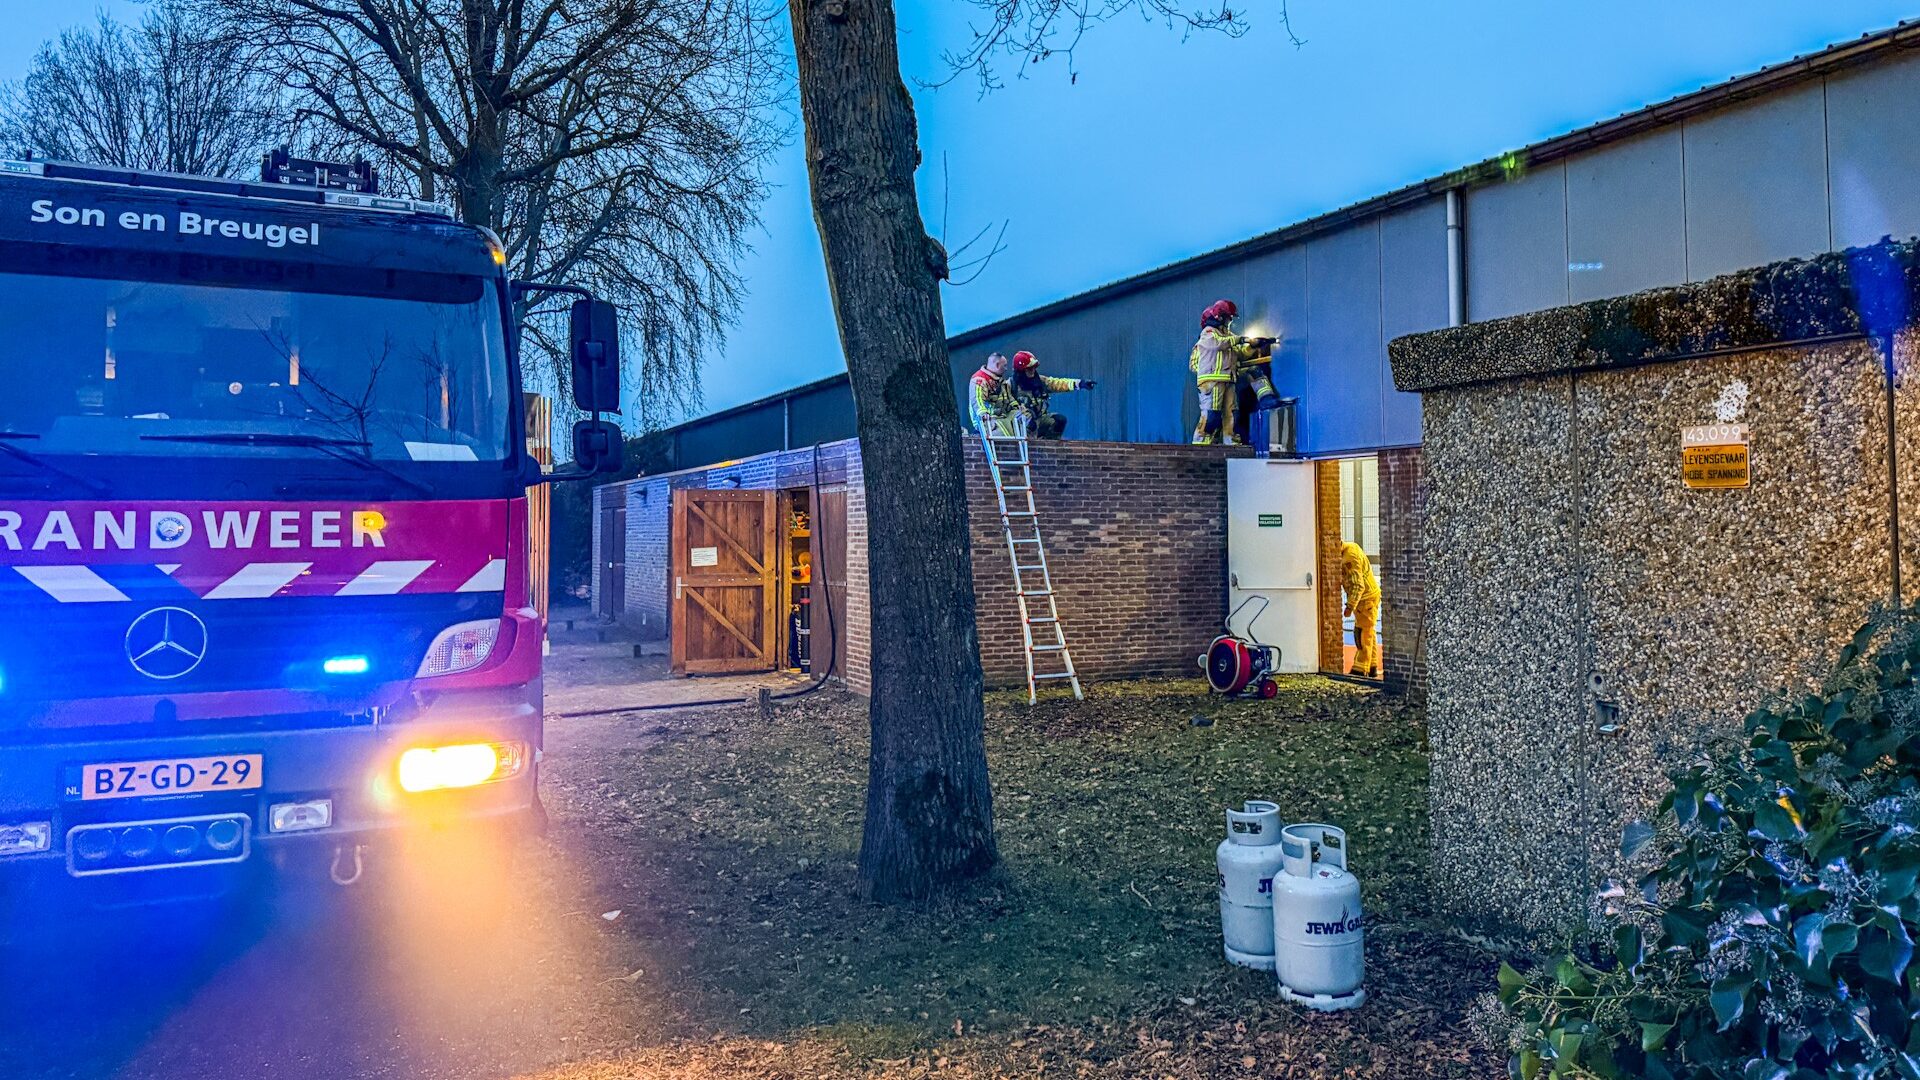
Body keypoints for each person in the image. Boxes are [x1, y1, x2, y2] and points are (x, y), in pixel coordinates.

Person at [1190, 299, 1254, 445]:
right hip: (1212, 380)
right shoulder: (1208, 333)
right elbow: (1218, 343)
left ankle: (1229, 440)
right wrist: (1240, 339)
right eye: (1229, 317)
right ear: (1220, 316)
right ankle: (1201, 444)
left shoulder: (1228, 335)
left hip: (1228, 379)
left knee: (1229, 412)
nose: (1230, 320)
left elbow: (1239, 353)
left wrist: (1253, 346)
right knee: (1211, 415)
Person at [1008, 350, 1095, 439]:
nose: (1033, 371)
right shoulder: (1010, 386)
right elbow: (1006, 409)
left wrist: (1080, 383)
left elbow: (1057, 384)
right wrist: (1026, 418)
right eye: (1030, 369)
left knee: (1059, 420)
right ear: (1021, 371)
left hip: (1039, 420)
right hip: (1020, 424)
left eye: (1034, 367)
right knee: (1030, 426)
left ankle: (1049, 447)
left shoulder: (1040, 381)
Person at [1340, 540, 1382, 680]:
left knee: (1363, 633)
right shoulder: (1351, 549)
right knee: (1369, 631)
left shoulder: (1349, 557)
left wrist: (1350, 606)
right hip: (1368, 597)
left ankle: (1360, 668)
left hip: (1365, 599)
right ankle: (1372, 666)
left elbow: (1358, 585)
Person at [968, 352, 1025, 438]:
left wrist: (1017, 407)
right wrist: (983, 414)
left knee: (1023, 417)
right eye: (1004, 366)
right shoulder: (979, 380)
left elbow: (1009, 398)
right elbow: (977, 401)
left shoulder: (1001, 381)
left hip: (1003, 416)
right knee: (1003, 433)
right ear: (997, 365)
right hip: (988, 419)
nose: (1006, 369)